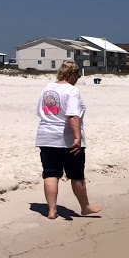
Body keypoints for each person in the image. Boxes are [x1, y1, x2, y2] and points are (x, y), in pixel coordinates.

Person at [35, 59, 101, 219]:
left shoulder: (47, 88)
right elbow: (72, 115)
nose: (77, 79)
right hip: (66, 139)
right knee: (76, 175)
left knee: (50, 174)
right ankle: (85, 207)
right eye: (77, 76)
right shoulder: (72, 90)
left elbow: (41, 111)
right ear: (72, 74)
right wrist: (77, 137)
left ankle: (52, 210)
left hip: (46, 137)